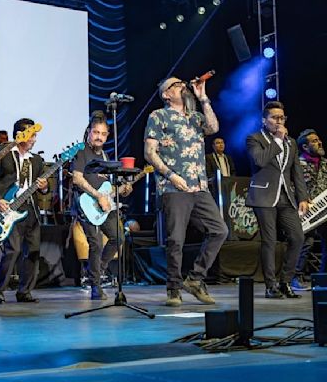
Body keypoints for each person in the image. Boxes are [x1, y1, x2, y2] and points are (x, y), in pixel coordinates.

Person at [144, 77, 228, 307]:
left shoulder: (195, 116)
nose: (182, 85)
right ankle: (173, 288)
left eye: (182, 82)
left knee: (219, 230)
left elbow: (214, 128)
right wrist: (171, 175)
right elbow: (150, 153)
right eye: (175, 84)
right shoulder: (158, 116)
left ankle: (195, 279)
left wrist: (203, 98)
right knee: (176, 240)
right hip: (174, 186)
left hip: (199, 185)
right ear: (166, 94)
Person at [245, 101, 308, 299]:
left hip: (285, 196)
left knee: (297, 237)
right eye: (274, 118)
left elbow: (296, 172)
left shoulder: (291, 142)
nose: (279, 122)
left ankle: (285, 282)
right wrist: (278, 141)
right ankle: (270, 285)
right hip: (263, 195)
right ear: (264, 120)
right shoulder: (254, 139)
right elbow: (259, 161)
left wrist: (303, 197)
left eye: (282, 118)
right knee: (270, 241)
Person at [71, 110, 132, 300]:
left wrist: (121, 189)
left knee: (118, 237)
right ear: (89, 131)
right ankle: (96, 285)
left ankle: (98, 270)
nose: (99, 137)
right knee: (95, 244)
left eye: (103, 134)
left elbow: (107, 186)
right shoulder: (81, 152)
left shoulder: (105, 156)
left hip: (103, 204)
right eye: (96, 132)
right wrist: (98, 196)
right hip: (86, 203)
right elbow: (77, 179)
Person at [0, 118, 48, 304]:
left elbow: (45, 189)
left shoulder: (36, 160)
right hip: (9, 208)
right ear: (19, 135)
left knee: (33, 251)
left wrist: (44, 188)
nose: (34, 139)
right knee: (12, 250)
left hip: (30, 210)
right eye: (31, 135)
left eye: (36, 135)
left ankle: (24, 291)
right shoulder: (3, 153)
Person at [293, 129, 327, 289]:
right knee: (306, 243)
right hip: (307, 212)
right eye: (314, 141)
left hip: (325, 211)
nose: (319, 142)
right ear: (305, 147)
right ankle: (295, 277)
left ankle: (322, 277)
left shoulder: (325, 163)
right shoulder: (298, 165)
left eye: (318, 139)